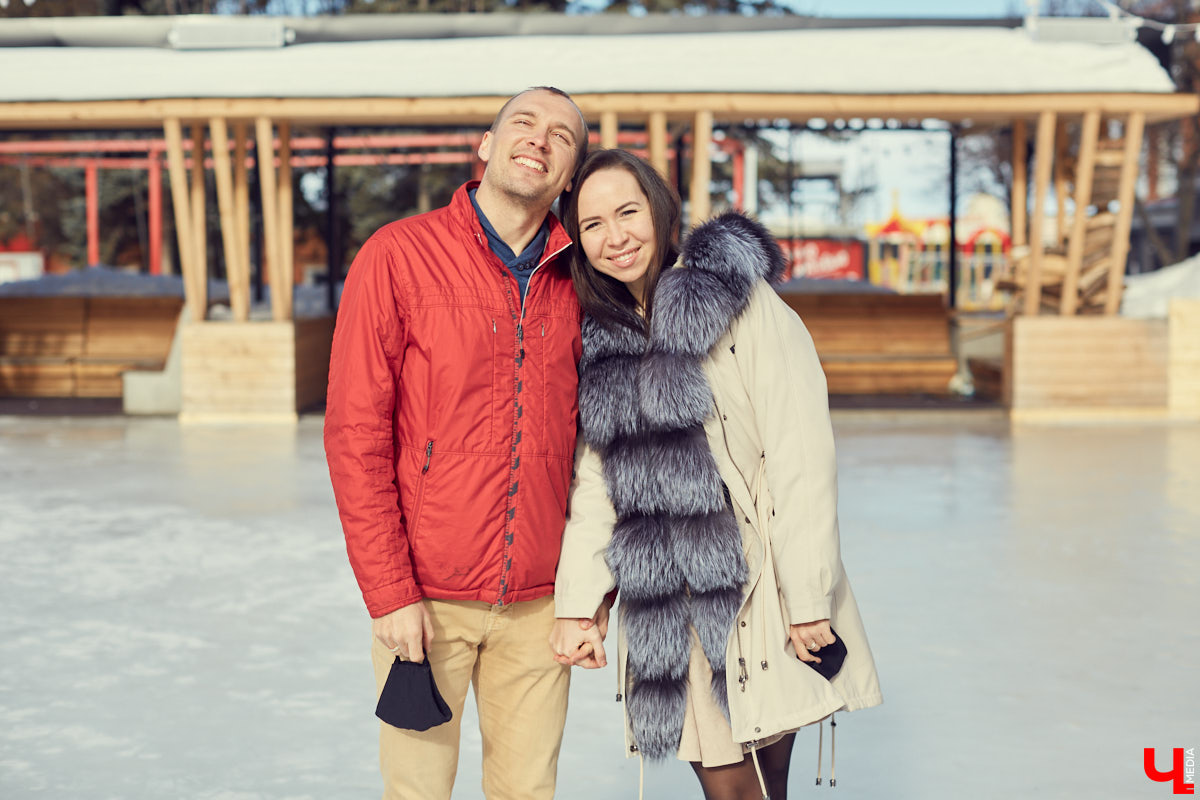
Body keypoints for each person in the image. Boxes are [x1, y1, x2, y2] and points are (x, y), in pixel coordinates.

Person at [549, 149, 883, 800]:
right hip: (669, 604)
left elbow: (800, 455)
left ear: (661, 210)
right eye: (592, 224)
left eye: (627, 212)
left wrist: (808, 598)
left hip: (755, 590)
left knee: (748, 786)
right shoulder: (607, 340)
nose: (614, 236)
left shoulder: (741, 307)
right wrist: (579, 604)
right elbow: (599, 489)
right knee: (739, 787)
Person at [324, 87, 593, 800]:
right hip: (426, 601)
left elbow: (603, 448)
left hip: (540, 605)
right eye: (524, 124)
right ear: (486, 143)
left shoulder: (583, 279)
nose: (539, 139)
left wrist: (586, 595)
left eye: (561, 136)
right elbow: (355, 436)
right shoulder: (398, 257)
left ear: (570, 174)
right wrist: (388, 594)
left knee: (528, 792)